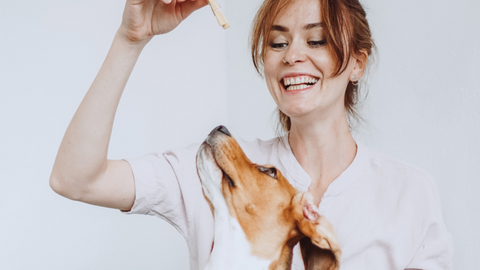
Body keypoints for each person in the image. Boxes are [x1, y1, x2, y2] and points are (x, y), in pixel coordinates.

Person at [49, 0, 454, 269]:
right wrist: (130, 38)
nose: (293, 55)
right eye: (278, 42)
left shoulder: (409, 193)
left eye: (316, 40)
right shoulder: (218, 169)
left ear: (357, 63)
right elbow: (74, 179)